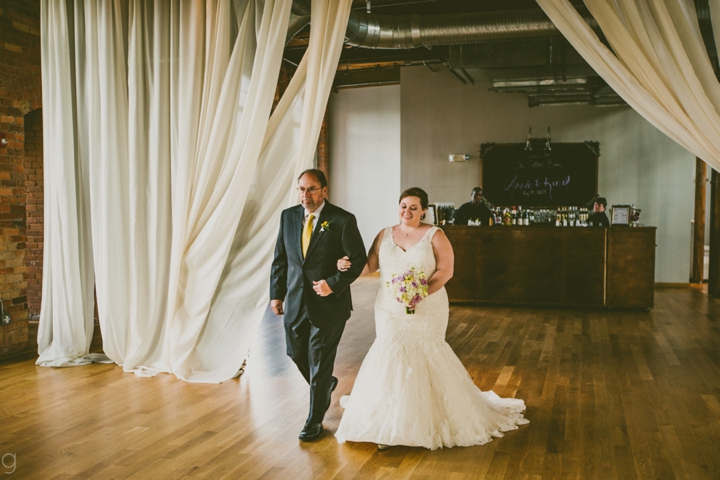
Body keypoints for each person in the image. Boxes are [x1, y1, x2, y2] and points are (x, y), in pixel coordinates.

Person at [334, 187, 528, 450]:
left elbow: (446, 270)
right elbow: (369, 266)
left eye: (414, 207)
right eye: (403, 206)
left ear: (424, 209)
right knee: (390, 352)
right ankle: (389, 421)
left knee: (425, 353)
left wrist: (419, 293)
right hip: (389, 308)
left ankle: (424, 419)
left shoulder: (435, 235)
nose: (408, 212)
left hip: (427, 306)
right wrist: (345, 266)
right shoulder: (384, 234)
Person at [270, 169, 367, 442]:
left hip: (328, 306)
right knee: (295, 352)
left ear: (324, 190)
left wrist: (333, 283)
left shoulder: (342, 220)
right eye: (301, 189)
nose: (305, 195)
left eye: (312, 189)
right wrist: (276, 294)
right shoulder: (288, 216)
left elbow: (357, 260)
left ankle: (314, 421)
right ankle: (325, 386)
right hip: (295, 303)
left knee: (320, 362)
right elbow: (281, 259)